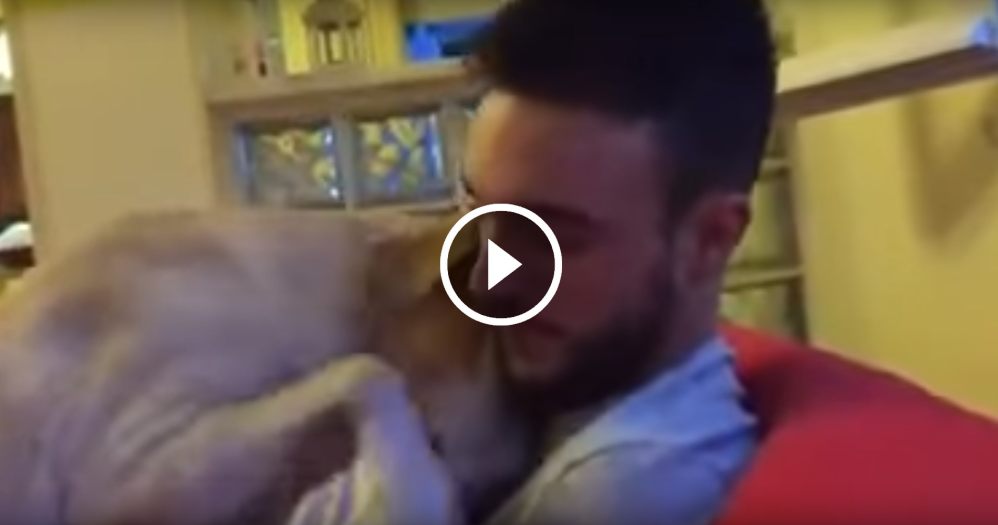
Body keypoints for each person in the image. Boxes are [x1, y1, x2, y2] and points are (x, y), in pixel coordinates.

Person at [292, 0, 776, 523]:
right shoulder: (571, 400)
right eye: (481, 211)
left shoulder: (619, 493)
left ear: (708, 240)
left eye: (553, 236)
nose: (487, 282)